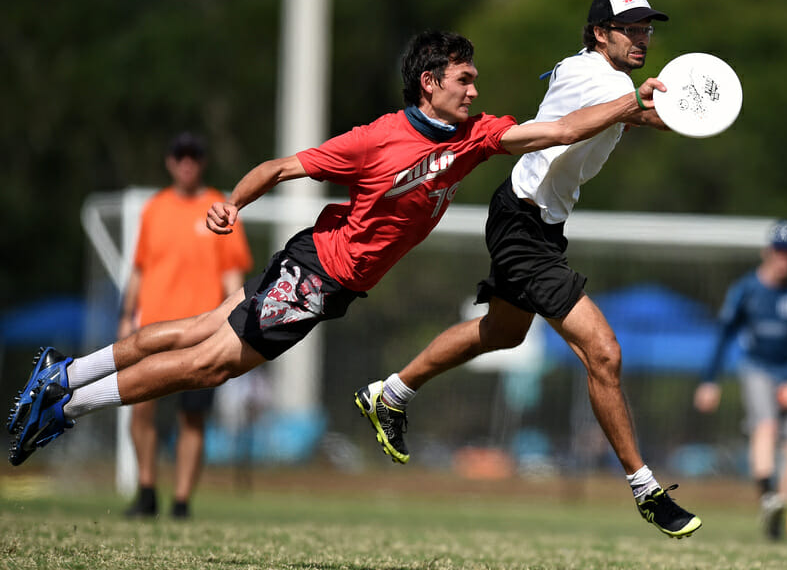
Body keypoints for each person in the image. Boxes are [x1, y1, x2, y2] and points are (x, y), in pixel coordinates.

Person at [7, 30, 663, 488]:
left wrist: (633, 104)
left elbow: (558, 130)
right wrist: (233, 203)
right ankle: (64, 407)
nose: (474, 90)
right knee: (210, 365)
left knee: (201, 329)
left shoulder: (477, 134)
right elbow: (281, 167)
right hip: (317, 274)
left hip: (324, 275)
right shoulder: (377, 138)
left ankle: (63, 374)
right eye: (464, 80)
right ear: (429, 83)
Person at [354, 0, 702, 540]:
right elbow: (612, 110)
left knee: (502, 333)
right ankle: (646, 489)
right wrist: (647, 103)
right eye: (630, 27)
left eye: (647, 28)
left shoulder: (610, 82)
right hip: (522, 224)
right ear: (599, 34)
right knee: (604, 353)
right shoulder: (598, 77)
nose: (642, 36)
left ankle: (388, 393)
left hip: (537, 224)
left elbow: (640, 114)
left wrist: (697, 110)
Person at [118, 132, 253, 519]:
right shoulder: (154, 210)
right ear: (170, 161)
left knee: (191, 417)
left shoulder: (219, 208)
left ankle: (180, 501)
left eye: (194, 155)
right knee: (139, 407)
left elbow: (233, 274)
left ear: (202, 162)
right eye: (180, 155)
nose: (187, 162)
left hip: (201, 331)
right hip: (155, 330)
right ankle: (146, 491)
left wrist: (233, 322)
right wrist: (126, 317)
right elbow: (140, 270)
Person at [694, 219, 787, 539]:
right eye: (779, 252)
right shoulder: (746, 290)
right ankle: (767, 495)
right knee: (765, 426)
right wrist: (709, 381)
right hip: (758, 368)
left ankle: (780, 509)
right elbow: (723, 336)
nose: (784, 259)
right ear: (767, 252)